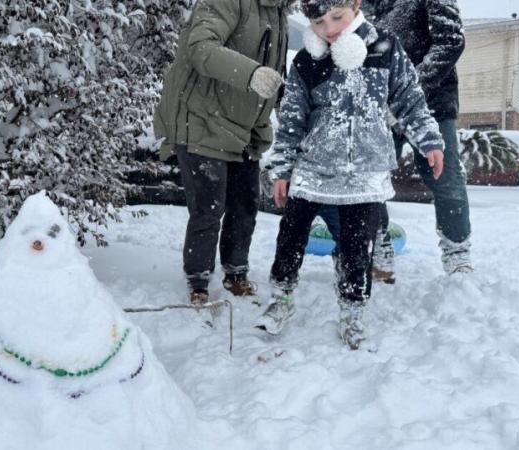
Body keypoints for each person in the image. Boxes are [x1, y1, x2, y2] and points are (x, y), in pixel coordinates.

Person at [255, 0, 444, 349]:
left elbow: (410, 99)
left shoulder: (385, 49)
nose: (329, 30)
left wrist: (429, 139)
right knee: (290, 239)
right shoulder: (306, 61)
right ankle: (280, 298)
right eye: (318, 22)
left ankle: (353, 313)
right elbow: (293, 120)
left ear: (355, 4)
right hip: (312, 170)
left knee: (358, 249)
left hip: (365, 174)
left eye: (337, 18)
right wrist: (282, 169)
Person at [154, 0, 294, 305]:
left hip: (243, 127)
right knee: (208, 208)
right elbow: (201, 47)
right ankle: (198, 280)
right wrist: (252, 74)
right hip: (201, 118)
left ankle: (236, 272)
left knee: (245, 204)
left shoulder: (279, 11)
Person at [361, 0, 472, 280]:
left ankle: (457, 251)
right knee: (369, 177)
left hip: (432, 104)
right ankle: (378, 246)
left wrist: (408, 91)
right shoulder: (365, 7)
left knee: (446, 179)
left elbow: (450, 42)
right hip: (380, 109)